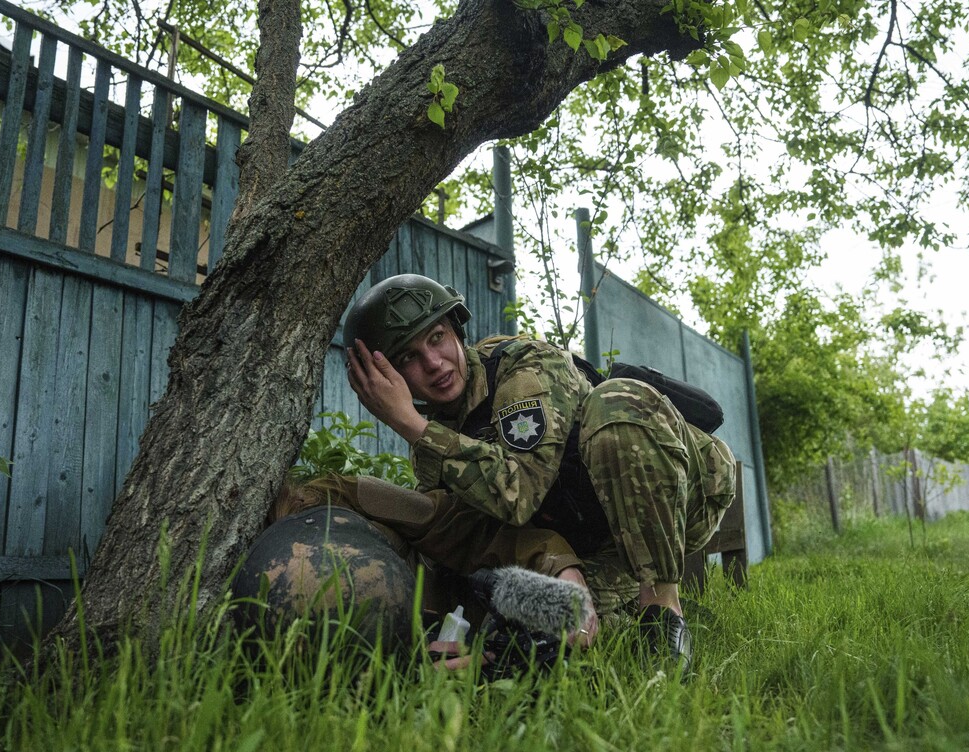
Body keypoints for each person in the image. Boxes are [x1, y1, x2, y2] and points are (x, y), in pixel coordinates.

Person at [275, 273, 736, 673]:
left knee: (616, 404)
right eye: (408, 359)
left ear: (456, 330)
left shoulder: (522, 369)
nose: (433, 363)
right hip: (599, 537)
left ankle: (663, 610)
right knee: (563, 627)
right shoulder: (437, 442)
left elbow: (519, 494)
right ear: (388, 378)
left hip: (683, 492)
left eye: (436, 338)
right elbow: (472, 537)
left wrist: (410, 424)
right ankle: (633, 607)